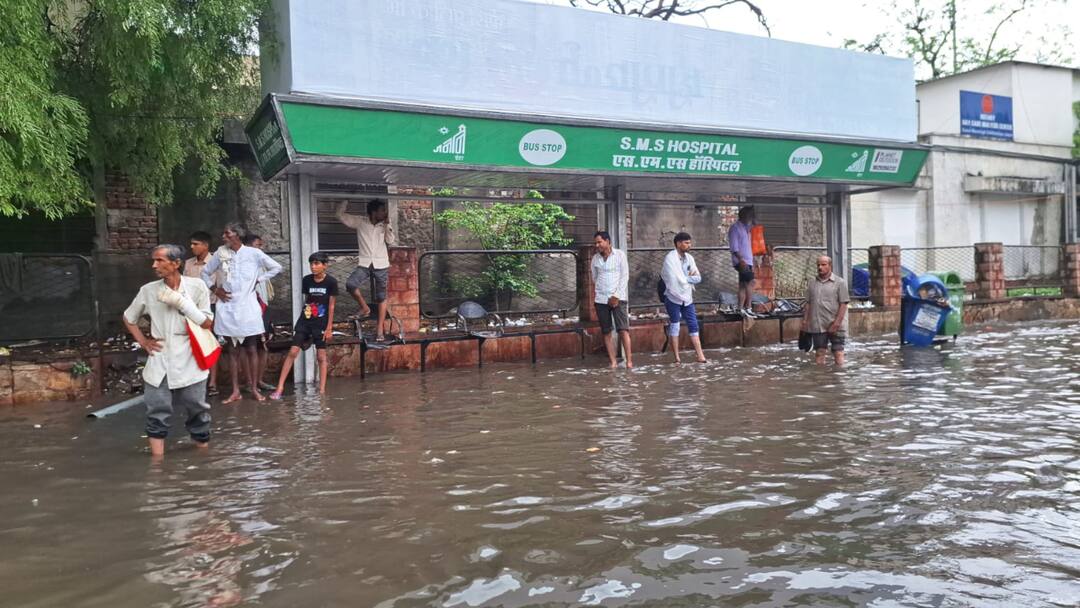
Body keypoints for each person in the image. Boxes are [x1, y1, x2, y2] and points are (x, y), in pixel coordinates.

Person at [122, 244, 215, 457]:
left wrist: (182, 303)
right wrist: (144, 342)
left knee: (197, 408)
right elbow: (129, 318)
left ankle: (204, 457)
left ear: (176, 263)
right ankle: (157, 463)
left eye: (160, 260)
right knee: (157, 409)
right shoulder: (148, 290)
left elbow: (207, 323)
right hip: (160, 356)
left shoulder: (197, 286)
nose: (154, 265)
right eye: (153, 261)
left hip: (190, 356)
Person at [201, 223, 282, 403]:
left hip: (248, 306)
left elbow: (276, 267)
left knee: (252, 348)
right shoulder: (220, 253)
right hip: (227, 306)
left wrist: (259, 280)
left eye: (227, 233)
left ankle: (253, 389)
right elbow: (205, 273)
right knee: (232, 350)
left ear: (237, 235)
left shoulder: (253, 253)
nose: (223, 237)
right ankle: (235, 390)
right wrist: (215, 289)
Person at [271, 252, 338, 398]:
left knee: (321, 356)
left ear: (325, 266)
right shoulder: (307, 280)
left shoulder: (331, 282)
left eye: (316, 263)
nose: (313, 267)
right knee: (293, 352)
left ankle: (322, 391)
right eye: (311, 264)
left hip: (321, 323)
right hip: (305, 320)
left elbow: (331, 306)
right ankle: (280, 387)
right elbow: (308, 299)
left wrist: (329, 328)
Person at [336, 199, 394, 341]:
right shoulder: (360, 222)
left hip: (381, 264)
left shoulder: (384, 224)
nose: (384, 213)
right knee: (351, 284)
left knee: (381, 297)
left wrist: (387, 225)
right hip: (365, 263)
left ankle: (379, 330)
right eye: (382, 210)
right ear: (374, 212)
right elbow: (339, 215)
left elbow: (390, 240)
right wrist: (345, 199)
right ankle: (365, 308)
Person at [183, 231, 221, 396]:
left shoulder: (215, 262)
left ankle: (212, 383)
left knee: (210, 344)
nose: (192, 247)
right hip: (191, 309)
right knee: (192, 344)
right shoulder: (188, 263)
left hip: (210, 307)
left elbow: (219, 286)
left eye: (196, 244)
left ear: (205, 245)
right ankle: (195, 382)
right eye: (192, 244)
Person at [661, 232, 707, 364]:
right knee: (675, 325)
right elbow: (671, 279)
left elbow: (698, 278)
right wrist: (688, 278)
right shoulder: (670, 258)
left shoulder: (689, 258)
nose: (689, 245)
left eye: (689, 242)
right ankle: (677, 358)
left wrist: (684, 278)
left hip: (687, 297)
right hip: (673, 297)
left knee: (693, 324)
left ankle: (701, 356)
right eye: (686, 243)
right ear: (678, 243)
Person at [591, 230, 632, 369]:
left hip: (619, 298)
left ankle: (629, 362)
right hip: (601, 299)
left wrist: (616, 295)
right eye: (596, 243)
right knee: (606, 331)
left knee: (623, 330)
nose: (597, 245)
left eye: (599, 242)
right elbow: (595, 278)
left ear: (607, 241)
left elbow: (625, 276)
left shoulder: (620, 255)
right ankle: (613, 362)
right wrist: (603, 291)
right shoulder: (595, 259)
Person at [242, 233, 276, 393]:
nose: (261, 249)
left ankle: (259, 380)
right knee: (246, 347)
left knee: (263, 346)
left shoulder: (262, 263)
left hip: (263, 309)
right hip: (247, 310)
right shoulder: (241, 265)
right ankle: (249, 382)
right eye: (258, 245)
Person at [802, 255, 850, 365]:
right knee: (819, 352)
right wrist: (805, 322)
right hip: (818, 324)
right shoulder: (812, 283)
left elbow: (843, 304)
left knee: (838, 352)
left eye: (823, 265)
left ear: (830, 266)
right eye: (818, 265)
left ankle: (839, 374)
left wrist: (836, 324)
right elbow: (808, 303)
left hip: (836, 323)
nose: (820, 267)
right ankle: (820, 374)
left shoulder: (840, 282)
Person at [727, 206, 758, 318]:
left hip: (747, 260)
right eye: (749, 215)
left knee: (743, 285)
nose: (750, 218)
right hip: (742, 260)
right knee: (750, 282)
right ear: (743, 215)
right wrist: (741, 260)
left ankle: (740, 308)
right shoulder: (735, 228)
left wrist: (752, 260)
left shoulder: (745, 228)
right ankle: (748, 307)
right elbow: (734, 247)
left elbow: (754, 225)